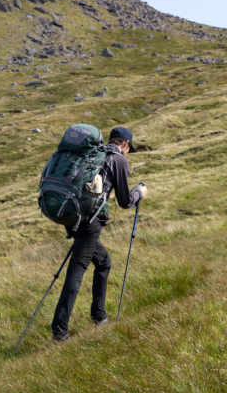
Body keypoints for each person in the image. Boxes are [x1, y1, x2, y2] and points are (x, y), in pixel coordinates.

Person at [50, 126, 147, 341]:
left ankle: (99, 317)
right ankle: (60, 331)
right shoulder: (119, 160)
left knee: (103, 262)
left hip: (73, 216)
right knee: (76, 270)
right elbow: (124, 201)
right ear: (126, 144)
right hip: (91, 222)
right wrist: (139, 193)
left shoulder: (94, 154)